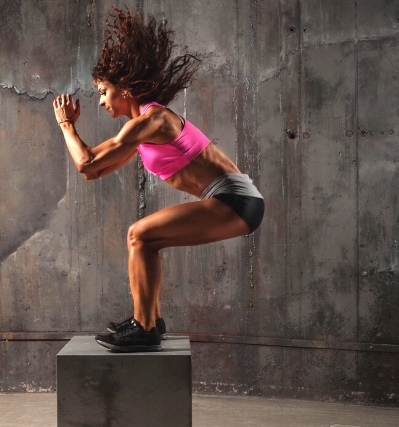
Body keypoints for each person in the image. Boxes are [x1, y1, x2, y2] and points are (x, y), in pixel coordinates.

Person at [52, 7, 265, 352]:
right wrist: (72, 131)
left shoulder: (154, 120)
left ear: (124, 87)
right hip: (234, 201)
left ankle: (144, 326)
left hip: (236, 201)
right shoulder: (141, 131)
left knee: (140, 235)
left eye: (104, 91)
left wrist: (65, 124)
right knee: (147, 238)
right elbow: (94, 169)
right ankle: (149, 319)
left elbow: (87, 163)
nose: (102, 101)